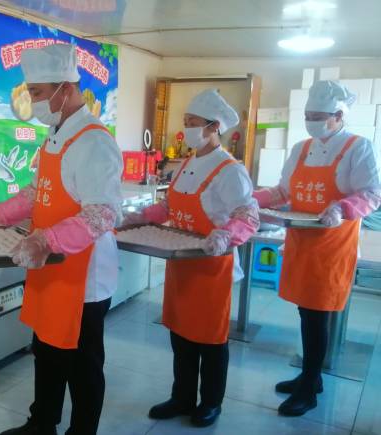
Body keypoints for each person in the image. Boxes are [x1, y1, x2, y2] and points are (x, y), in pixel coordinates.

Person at [0, 44, 122, 435]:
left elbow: (102, 213)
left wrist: (46, 240)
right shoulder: (55, 136)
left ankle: (82, 430)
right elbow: (35, 191)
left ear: (65, 88)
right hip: (51, 266)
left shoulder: (94, 142)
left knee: (82, 364)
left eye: (37, 93)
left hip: (83, 276)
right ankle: (41, 423)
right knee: (47, 350)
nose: (33, 102)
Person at [124, 89, 259, 427]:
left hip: (212, 265)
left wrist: (226, 235)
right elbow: (169, 207)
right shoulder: (186, 164)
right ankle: (182, 397)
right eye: (185, 122)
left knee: (210, 339)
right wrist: (139, 216)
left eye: (192, 122)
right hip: (181, 262)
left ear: (214, 126)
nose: (186, 129)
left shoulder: (230, 170)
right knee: (181, 334)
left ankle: (211, 402)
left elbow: (248, 216)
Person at [254, 80, 381, 417]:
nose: (311, 121)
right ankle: (311, 376)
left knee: (318, 314)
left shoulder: (358, 147)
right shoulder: (301, 148)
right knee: (305, 310)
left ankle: (309, 387)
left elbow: (372, 194)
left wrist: (342, 208)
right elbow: (283, 191)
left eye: (318, 116)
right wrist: (253, 198)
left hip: (332, 244)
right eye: (308, 115)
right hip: (301, 239)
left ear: (338, 116)